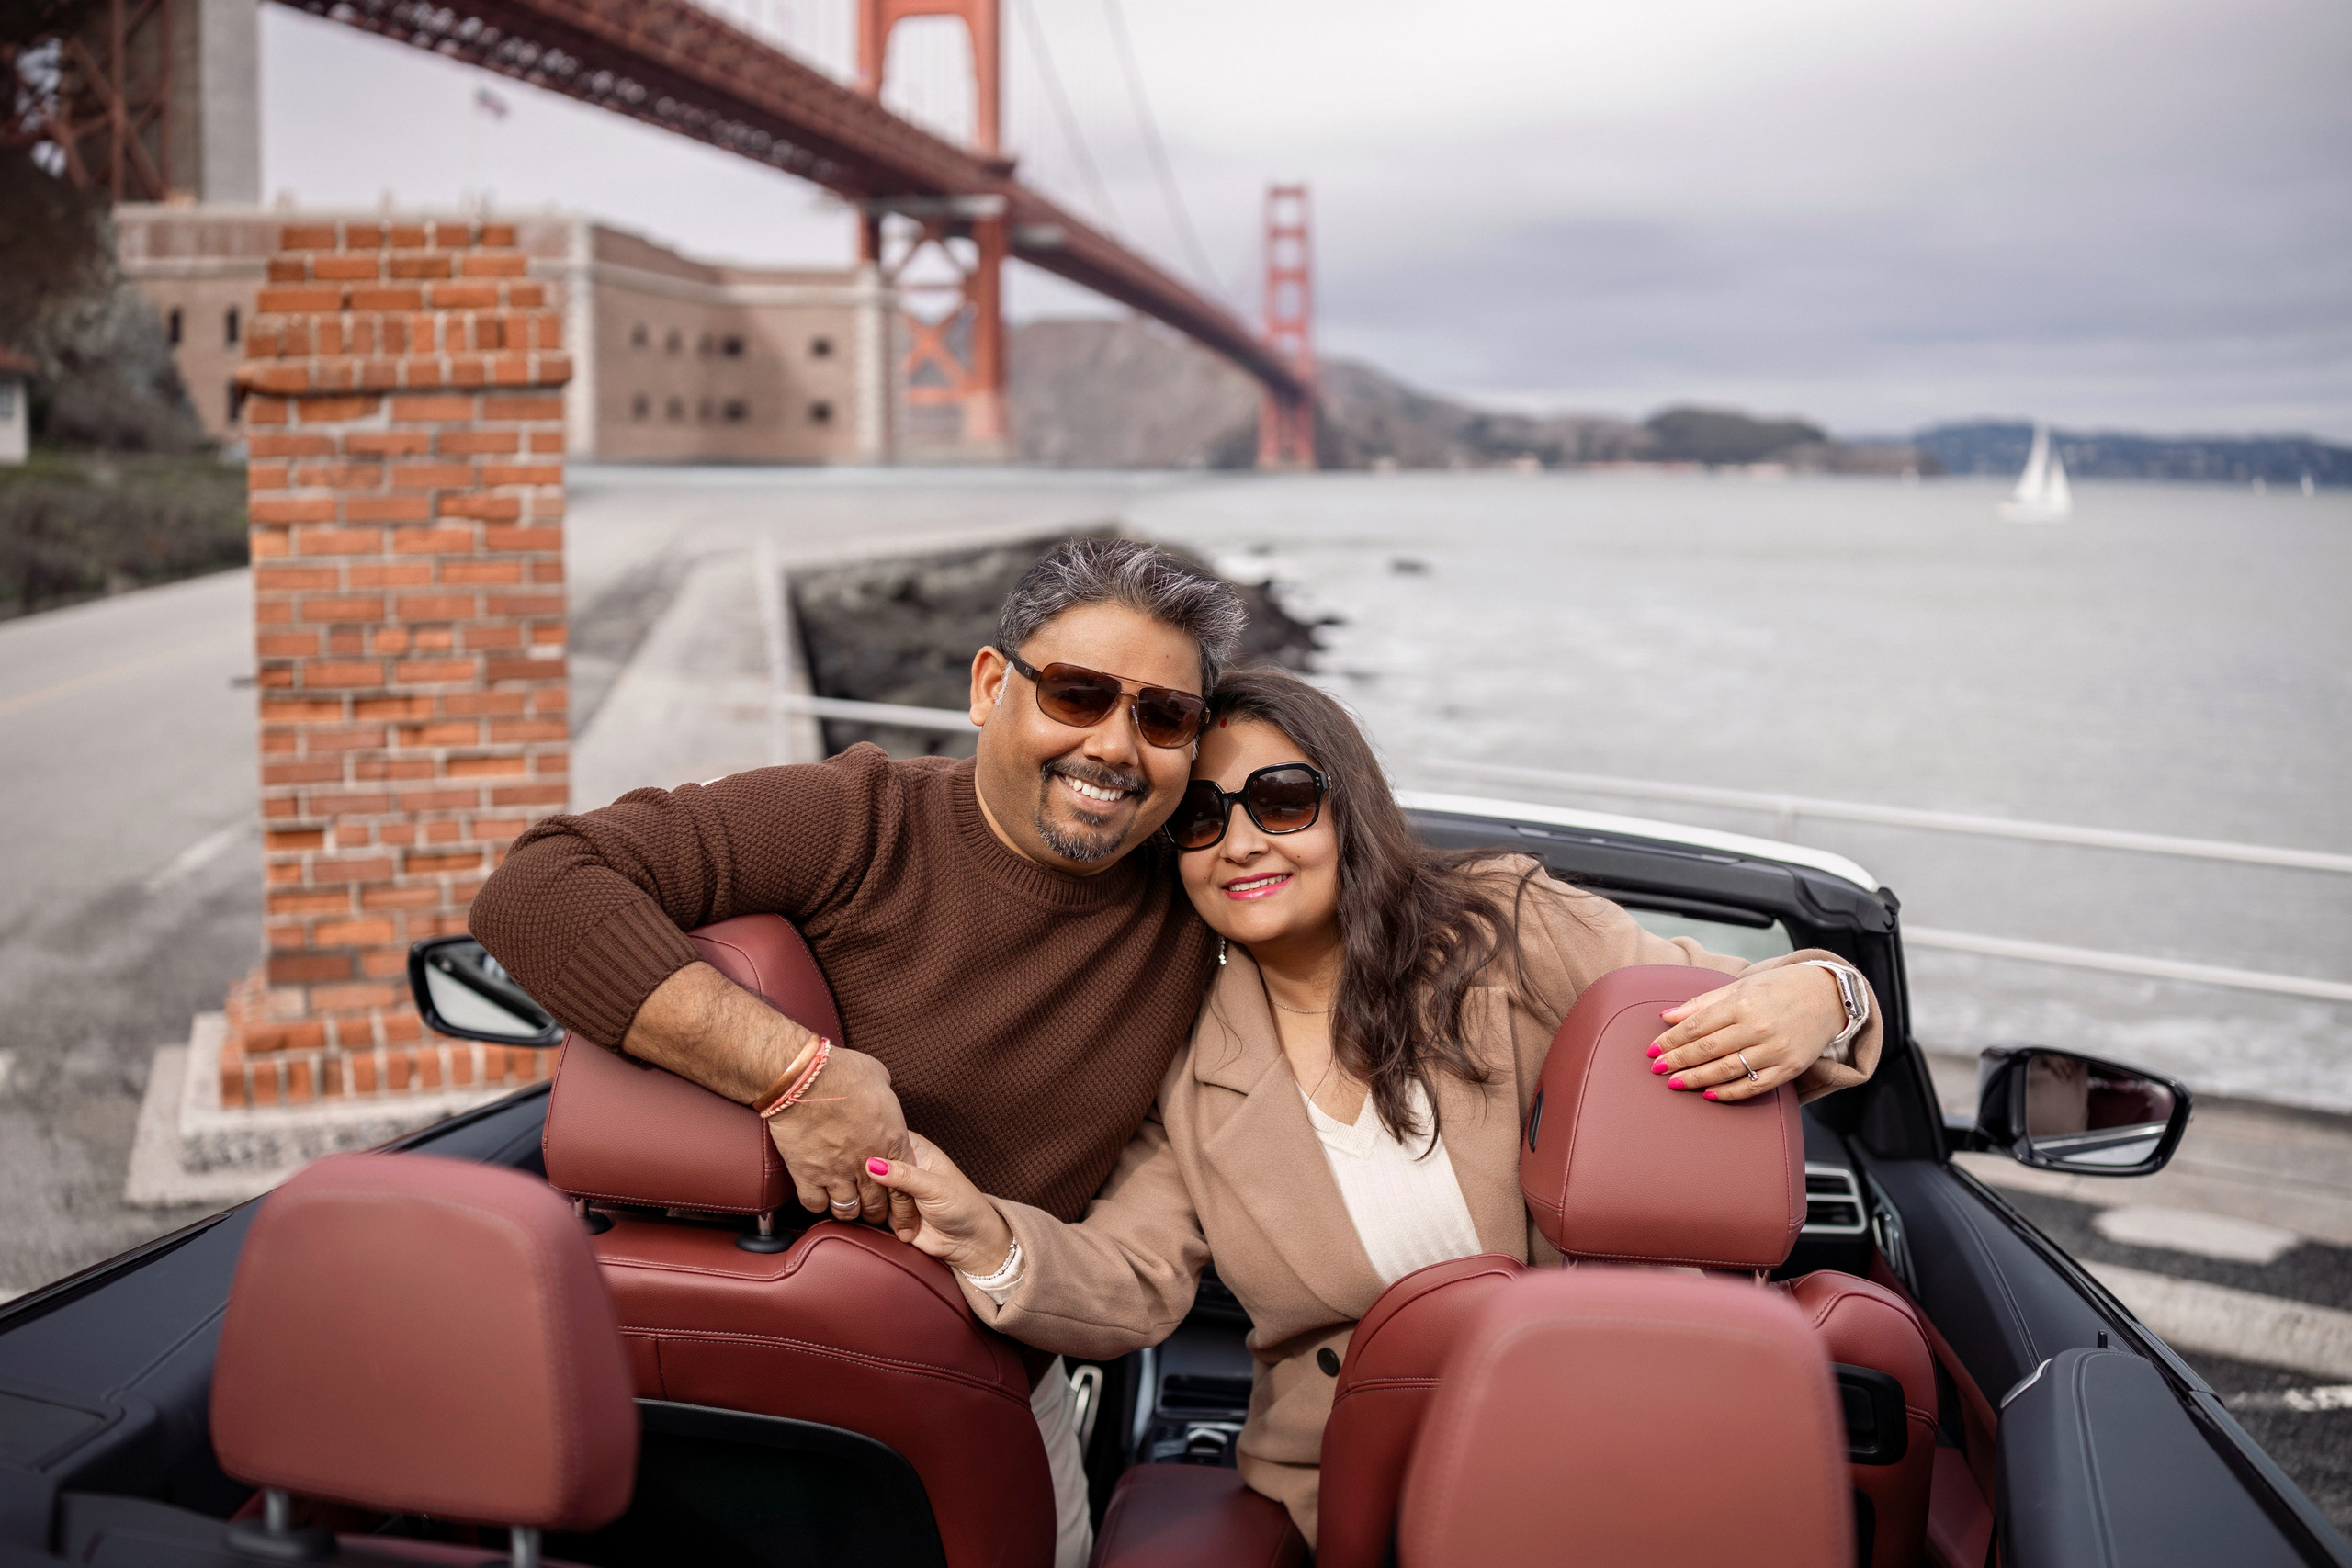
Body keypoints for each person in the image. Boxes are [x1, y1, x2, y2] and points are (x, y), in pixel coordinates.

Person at [868, 665, 1884, 1549]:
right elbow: (1131, 1273)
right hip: (1366, 1481)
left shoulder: (1509, 924)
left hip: (1619, 1438)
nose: (1239, 843)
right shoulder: (1182, 1056)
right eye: (1200, 818)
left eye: (1281, 800)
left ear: (1347, 805)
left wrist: (1825, 995)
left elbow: (1731, 1007)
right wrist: (984, 1235)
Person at [469, 537, 1254, 1568]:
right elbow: (535, 888)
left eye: (1164, 717)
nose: (1115, 746)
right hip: (722, 1362)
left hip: (982, 1364)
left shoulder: (1209, 917)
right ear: (990, 686)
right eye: (1076, 694)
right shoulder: (860, 817)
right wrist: (795, 1077)